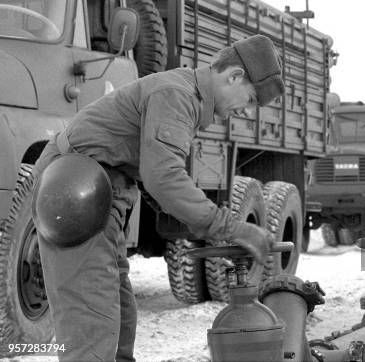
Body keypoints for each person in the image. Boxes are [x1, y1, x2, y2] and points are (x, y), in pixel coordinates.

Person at [32, 34, 284, 361]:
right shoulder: (177, 95)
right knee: (92, 323)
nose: (244, 111)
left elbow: (155, 173)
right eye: (249, 99)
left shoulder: (183, 94)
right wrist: (232, 228)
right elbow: (163, 177)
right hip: (74, 195)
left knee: (120, 317)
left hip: (93, 192)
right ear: (234, 75)